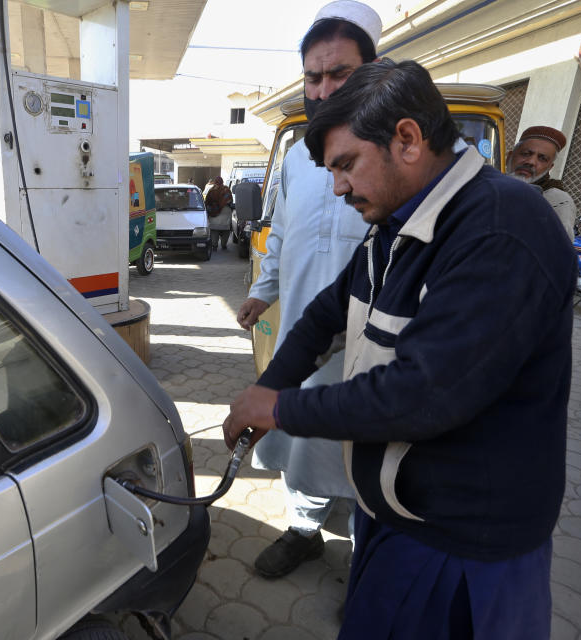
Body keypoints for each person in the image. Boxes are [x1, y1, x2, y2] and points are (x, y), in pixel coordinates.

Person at [223, 59, 576, 639]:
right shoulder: (398, 225)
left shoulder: (502, 227)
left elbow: (424, 394)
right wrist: (270, 385)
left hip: (461, 546)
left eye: (346, 165)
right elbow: (322, 317)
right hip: (397, 521)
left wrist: (282, 411)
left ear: (407, 140)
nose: (337, 187)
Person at [234, 0, 380, 579]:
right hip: (303, 325)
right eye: (313, 76)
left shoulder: (399, 151)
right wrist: (262, 290)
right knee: (301, 438)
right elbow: (284, 235)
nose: (323, 89)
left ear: (373, 68)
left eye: (339, 73)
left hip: (374, 341)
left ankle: (365, 560)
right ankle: (302, 531)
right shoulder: (298, 156)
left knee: (365, 449)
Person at [508, 126, 576, 240]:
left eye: (542, 158)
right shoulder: (489, 185)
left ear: (550, 167)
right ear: (509, 156)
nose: (531, 162)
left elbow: (556, 248)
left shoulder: (557, 199)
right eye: (525, 154)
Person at [205, 176, 233, 251]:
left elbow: (207, 202)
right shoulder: (226, 189)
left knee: (214, 231)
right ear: (222, 181)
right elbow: (230, 201)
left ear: (215, 182)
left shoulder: (211, 191)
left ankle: (214, 246)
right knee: (226, 230)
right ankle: (224, 245)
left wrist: (211, 210)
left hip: (213, 213)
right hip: (225, 211)